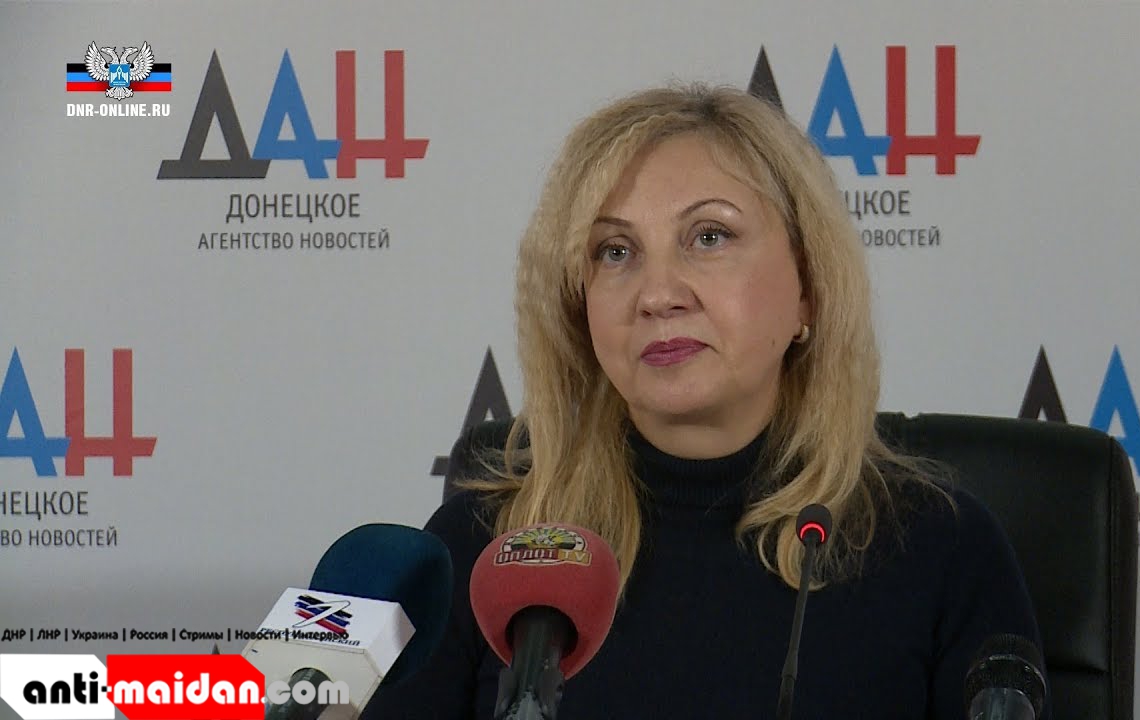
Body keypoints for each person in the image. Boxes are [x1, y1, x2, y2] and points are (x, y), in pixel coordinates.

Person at [363, 84, 1048, 719]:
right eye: (615, 251)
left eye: (709, 237)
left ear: (809, 290)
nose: (658, 294)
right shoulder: (482, 548)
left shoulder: (942, 548)